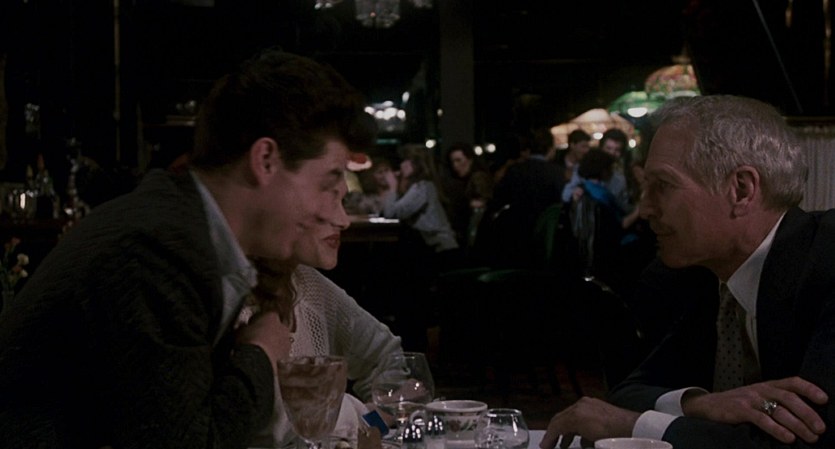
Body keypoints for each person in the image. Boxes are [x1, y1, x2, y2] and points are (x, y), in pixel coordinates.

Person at [0, 48, 376, 448]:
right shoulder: (159, 251)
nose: (332, 213)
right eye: (326, 183)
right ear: (265, 159)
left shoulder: (181, 228)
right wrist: (261, 353)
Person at [540, 95, 833, 449]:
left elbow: (804, 443)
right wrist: (697, 404)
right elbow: (627, 391)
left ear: (741, 190)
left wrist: (632, 426)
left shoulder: (826, 263)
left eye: (662, 185)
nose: (645, 209)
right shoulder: (694, 273)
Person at [239, 174, 402, 448]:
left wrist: (370, 419)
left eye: (342, 201)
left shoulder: (307, 284)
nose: (344, 220)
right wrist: (360, 415)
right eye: (328, 200)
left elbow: (388, 358)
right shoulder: (230, 299)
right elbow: (271, 423)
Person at [442, 142, 494, 249]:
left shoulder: (478, 178)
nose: (455, 165)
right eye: (452, 162)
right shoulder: (463, 181)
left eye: (459, 160)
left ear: (470, 160)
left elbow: (480, 206)